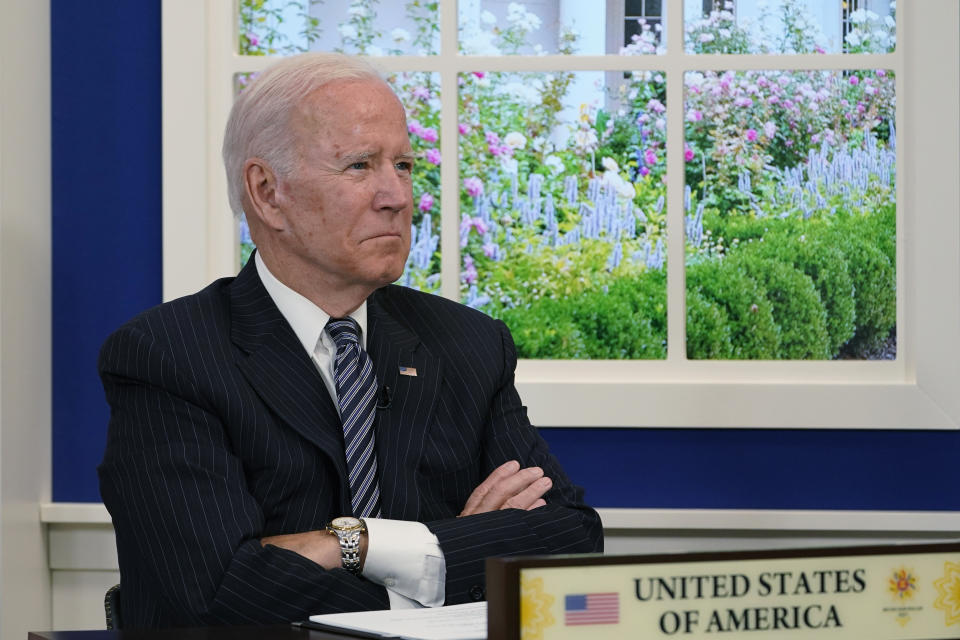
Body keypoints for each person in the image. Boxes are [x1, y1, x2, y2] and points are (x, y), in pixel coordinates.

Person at [98, 52, 602, 629]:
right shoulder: (168, 357)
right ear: (266, 192)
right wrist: (446, 564)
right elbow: (221, 592)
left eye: (405, 166)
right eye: (361, 166)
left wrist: (356, 541)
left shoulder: (467, 343)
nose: (397, 196)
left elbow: (571, 542)